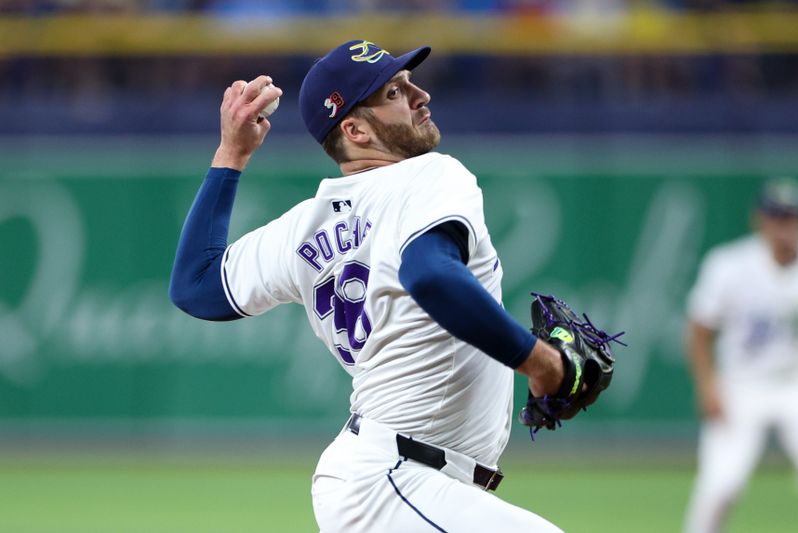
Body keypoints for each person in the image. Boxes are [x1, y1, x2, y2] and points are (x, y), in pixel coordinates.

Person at [169, 39, 569, 532]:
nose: (420, 94)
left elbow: (196, 284)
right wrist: (540, 362)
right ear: (355, 129)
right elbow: (430, 275)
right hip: (396, 479)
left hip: (387, 480)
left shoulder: (303, 228)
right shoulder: (431, 175)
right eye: (396, 92)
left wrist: (231, 155)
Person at [683, 178, 798, 533]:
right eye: (776, 217)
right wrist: (708, 386)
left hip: (795, 384)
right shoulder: (730, 264)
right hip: (741, 384)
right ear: (760, 220)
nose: (784, 226)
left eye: (791, 217)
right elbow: (700, 330)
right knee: (721, 485)